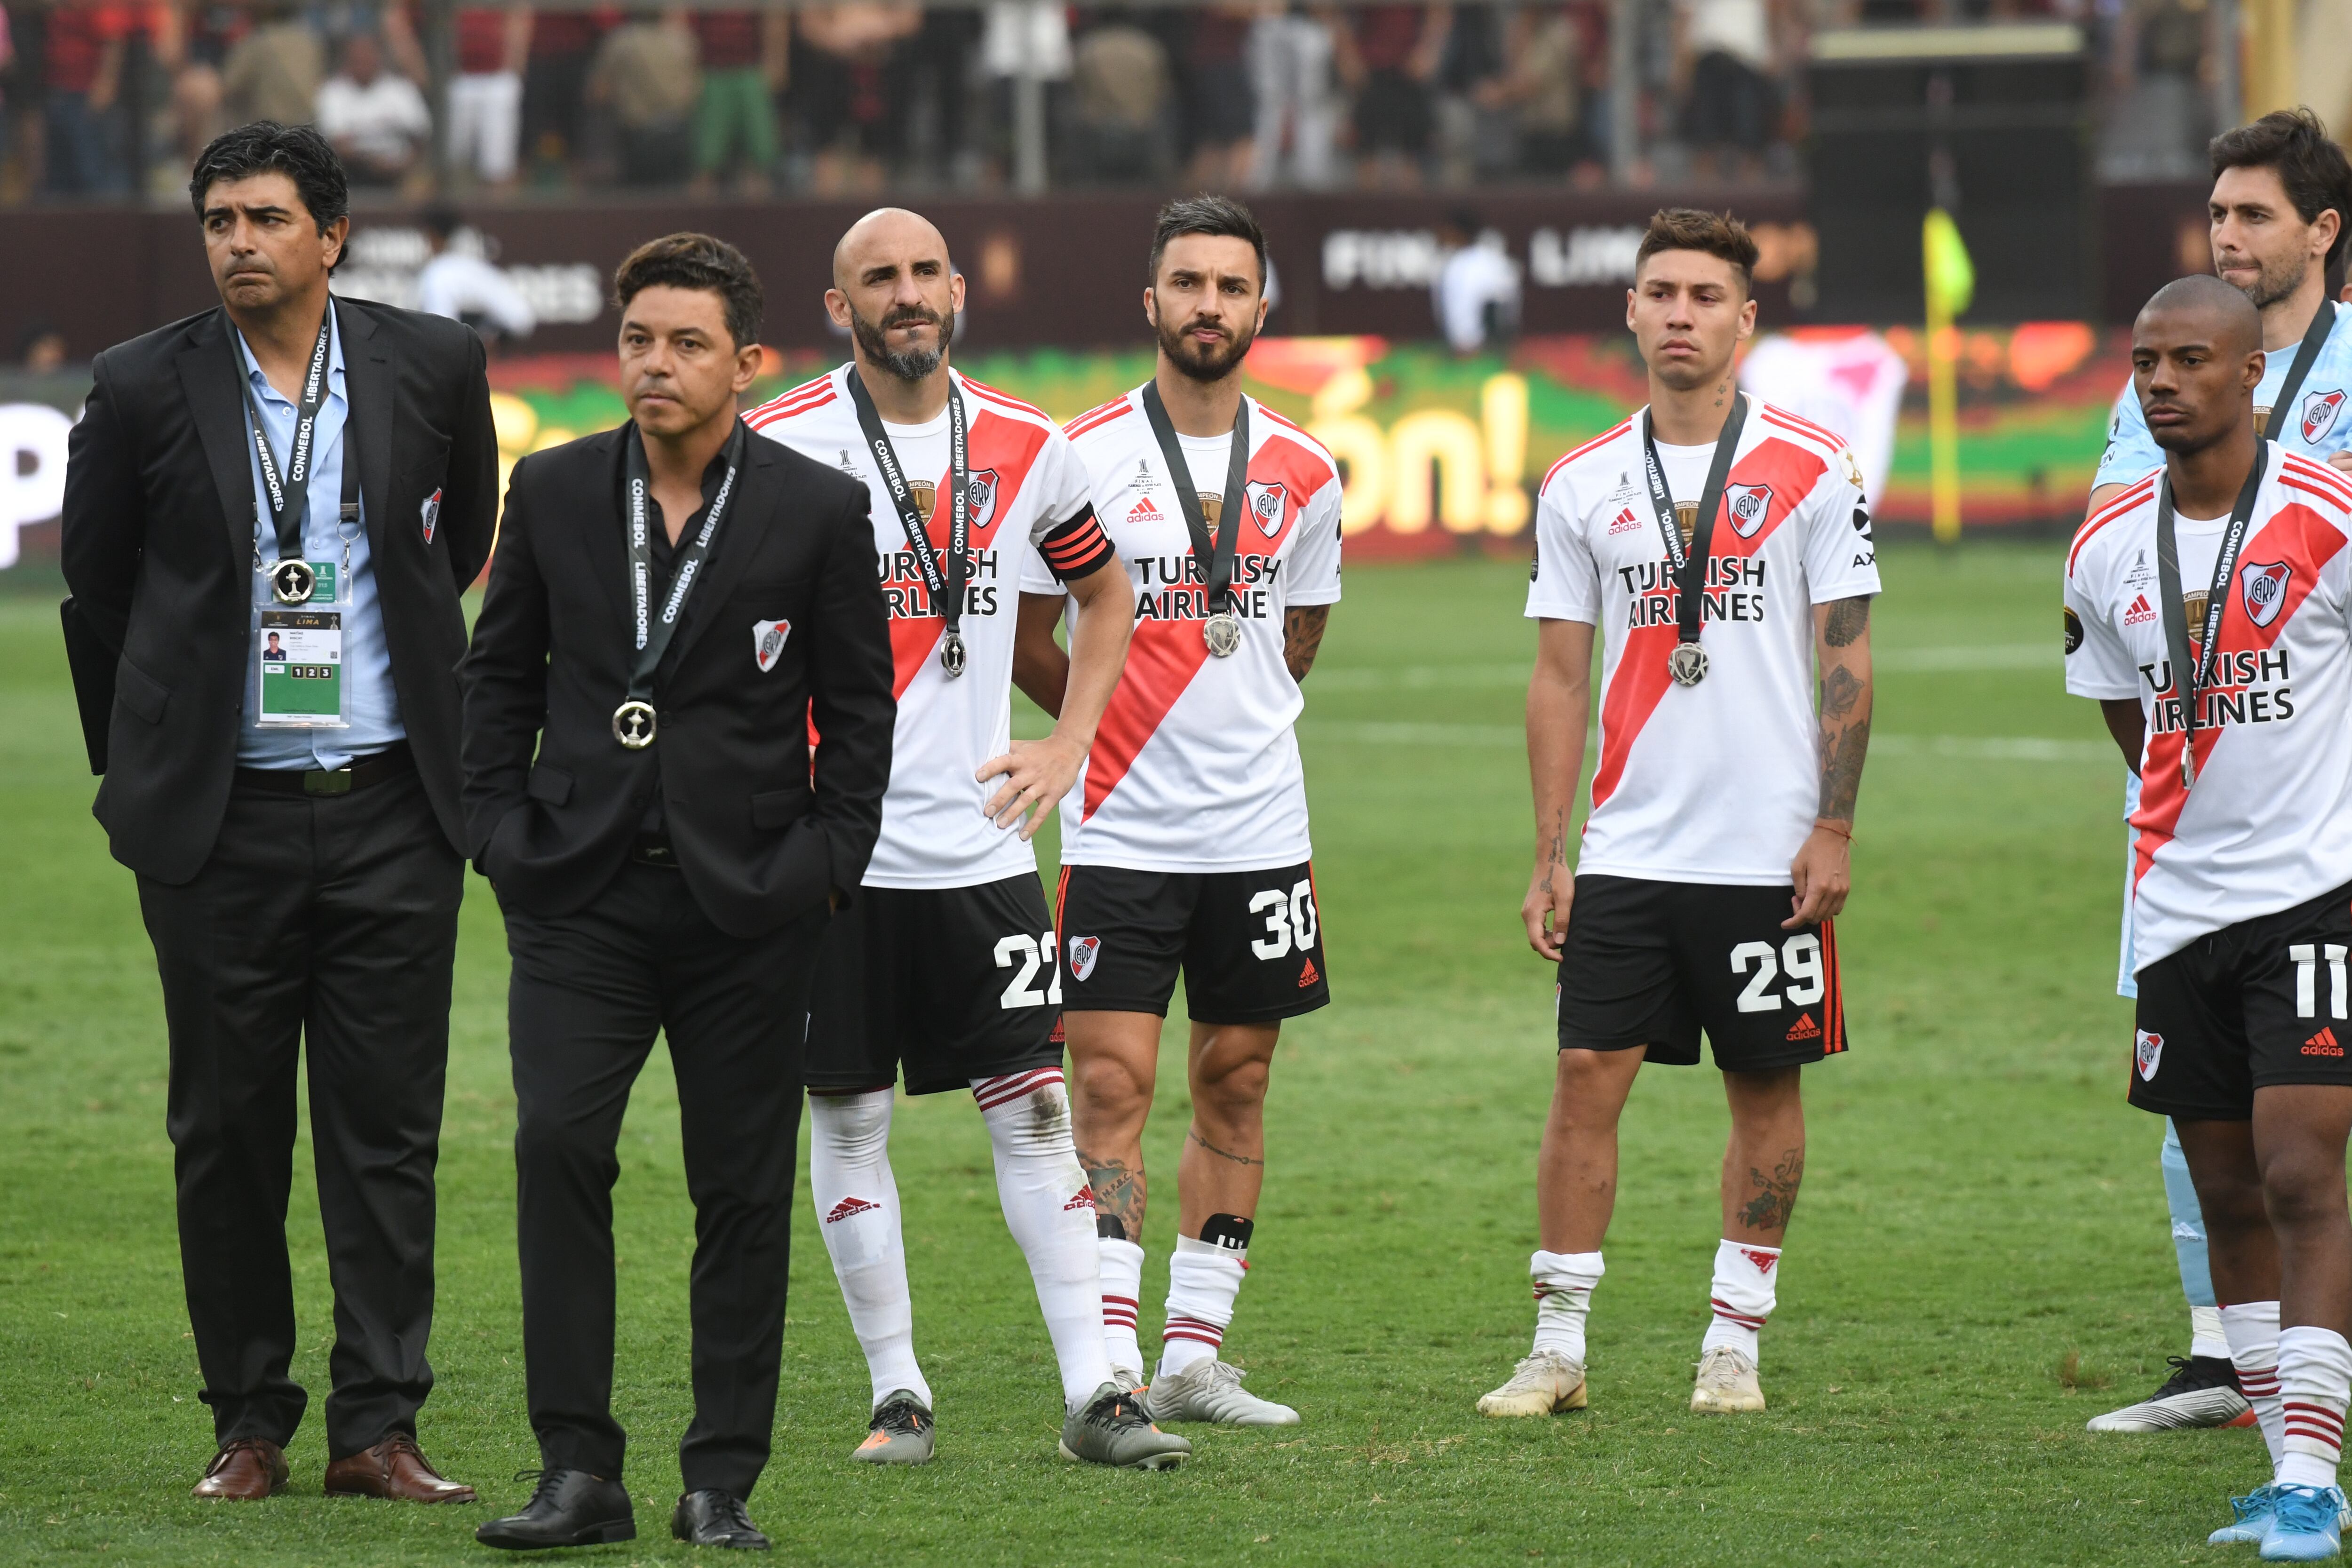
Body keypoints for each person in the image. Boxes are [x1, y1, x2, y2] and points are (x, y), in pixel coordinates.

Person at [57, 120, 497, 1504]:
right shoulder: (137, 383)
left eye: (262, 218)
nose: (236, 241)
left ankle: (377, 1428)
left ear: (331, 233)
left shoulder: (433, 364)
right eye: (216, 220)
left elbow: (464, 540)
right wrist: (146, 772)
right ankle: (249, 1420)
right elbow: (98, 589)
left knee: (387, 1132)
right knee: (226, 1129)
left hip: (389, 809)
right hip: (218, 822)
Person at [461, 233, 895, 1552]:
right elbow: (498, 678)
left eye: (688, 341)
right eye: (640, 338)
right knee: (557, 1151)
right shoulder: (547, 490)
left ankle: (721, 1477)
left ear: (749, 363)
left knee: (742, 1186)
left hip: (747, 906)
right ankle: (578, 1470)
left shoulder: (816, 508)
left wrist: (823, 865)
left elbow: (859, 709)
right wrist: (498, 829)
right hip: (579, 895)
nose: (657, 362)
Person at [745, 207, 1189, 1472]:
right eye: (876, 278)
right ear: (839, 307)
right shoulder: (780, 441)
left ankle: (1098, 1391)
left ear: (956, 289)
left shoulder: (1029, 445)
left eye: (924, 271)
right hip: (830, 855)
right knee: (847, 1119)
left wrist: (1070, 742)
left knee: (1037, 1113)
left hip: (982, 847)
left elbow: (1106, 591)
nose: (906, 294)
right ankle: (899, 1393)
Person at [1484, 206, 1878, 1422]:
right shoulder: (1583, 480)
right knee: (1583, 1077)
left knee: (1766, 1090)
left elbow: (1848, 658)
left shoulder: (1815, 466)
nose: (1680, 314)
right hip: (1630, 847)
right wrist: (1553, 853)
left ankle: (1733, 1341)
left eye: (1707, 296)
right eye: (1660, 292)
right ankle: (1557, 1346)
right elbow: (1558, 676)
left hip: (1768, 847)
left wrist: (1834, 825)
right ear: (1631, 310)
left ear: (1745, 319)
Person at [1032, 194, 1342, 1427]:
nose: (1208, 304)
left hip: (1261, 830)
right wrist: (1096, 729)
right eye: (1187, 283)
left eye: (1230, 285)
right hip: (1120, 825)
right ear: (1149, 301)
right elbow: (1023, 629)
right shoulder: (1082, 455)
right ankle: (1108, 1356)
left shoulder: (1309, 470)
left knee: (1239, 1075)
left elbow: (1297, 636)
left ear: (1261, 307)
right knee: (1108, 1085)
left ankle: (1194, 1353)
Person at [2064, 273, 2352, 1562]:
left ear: (2250, 374)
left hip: (2315, 891)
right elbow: (2128, 709)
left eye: (2190, 359)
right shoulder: (2107, 544)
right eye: (2145, 362)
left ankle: (2311, 1472)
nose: (2163, 380)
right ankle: (2272, 1443)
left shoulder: (2329, 516)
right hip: (2178, 904)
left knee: (2300, 1170)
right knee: (2225, 1184)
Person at [586, 8, 698, 189]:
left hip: (637, 139)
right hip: (677, 135)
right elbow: (694, 91)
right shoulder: (682, 40)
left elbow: (598, 93)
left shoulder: (620, 40)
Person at [314, 32, 430, 188]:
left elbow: (420, 137)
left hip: (401, 172)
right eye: (357, 59)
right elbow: (337, 143)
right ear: (347, 61)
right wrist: (373, 162)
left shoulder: (401, 89)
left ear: (379, 58)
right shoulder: (333, 92)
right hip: (352, 175)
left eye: (368, 58)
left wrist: (403, 163)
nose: (363, 63)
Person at [415, 206, 536, 346]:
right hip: (486, 352)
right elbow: (523, 318)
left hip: (459, 356)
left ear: (433, 235)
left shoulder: (439, 272)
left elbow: (440, 330)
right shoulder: (476, 265)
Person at [447, 3, 529, 190]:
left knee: (498, 167)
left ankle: (499, 216)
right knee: (453, 162)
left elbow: (520, 15)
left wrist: (513, 68)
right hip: (459, 77)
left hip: (498, 78)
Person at [1430, 208, 1520, 356]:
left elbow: (1503, 314)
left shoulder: (1474, 265)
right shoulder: (1492, 260)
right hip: (1486, 351)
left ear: (1456, 232)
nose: (1441, 236)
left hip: (1482, 351)